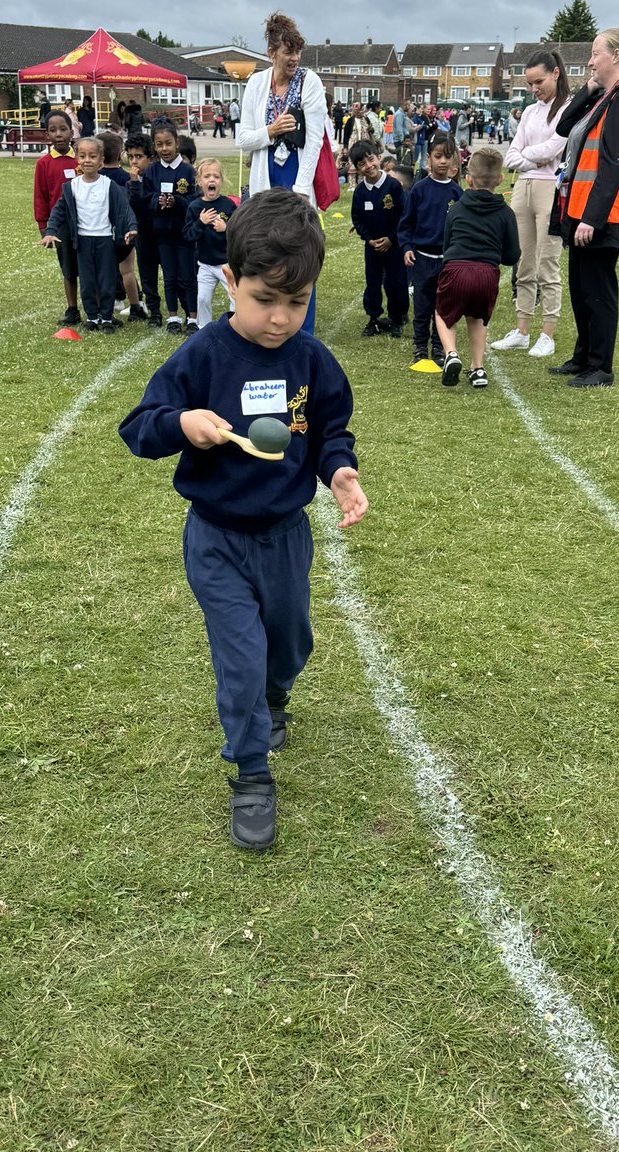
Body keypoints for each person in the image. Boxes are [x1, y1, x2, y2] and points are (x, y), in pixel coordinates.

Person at [118, 190, 367, 851]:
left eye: (298, 300)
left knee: (288, 646)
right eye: (265, 300)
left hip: (285, 539)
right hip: (216, 541)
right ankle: (252, 774)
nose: (281, 318)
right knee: (241, 656)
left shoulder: (312, 361)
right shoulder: (201, 357)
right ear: (231, 283)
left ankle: (276, 697)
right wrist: (182, 423)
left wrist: (340, 472)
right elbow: (138, 428)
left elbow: (330, 430)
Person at [549, 27, 619, 387]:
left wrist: (592, 218)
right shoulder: (605, 96)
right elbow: (563, 126)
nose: (590, 61)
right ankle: (583, 357)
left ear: (616, 56)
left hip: (605, 215)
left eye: (595, 54)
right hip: (581, 209)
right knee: (580, 287)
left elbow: (614, 163)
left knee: (598, 290)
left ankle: (601, 366)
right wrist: (588, 89)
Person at [236, 11, 327, 333]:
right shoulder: (256, 83)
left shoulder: (309, 81)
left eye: (297, 51)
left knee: (302, 252)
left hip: (296, 177)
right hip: (265, 179)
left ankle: (304, 331)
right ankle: (267, 322)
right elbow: (243, 139)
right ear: (271, 53)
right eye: (288, 52)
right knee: (267, 251)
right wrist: (271, 131)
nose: (295, 58)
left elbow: (315, 140)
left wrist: (302, 189)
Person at [492, 48, 571, 360]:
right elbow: (511, 155)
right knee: (523, 261)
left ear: (555, 73)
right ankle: (522, 330)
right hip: (523, 188)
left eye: (538, 82)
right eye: (529, 84)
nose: (534, 89)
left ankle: (547, 334)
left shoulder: (568, 108)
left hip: (550, 188)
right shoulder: (528, 112)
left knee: (547, 261)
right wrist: (532, 158)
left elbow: (556, 147)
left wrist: (529, 157)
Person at [436, 147, 520, 390]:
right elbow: (512, 255)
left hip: (457, 268)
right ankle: (478, 368)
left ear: (468, 179)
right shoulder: (506, 213)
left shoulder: (457, 209)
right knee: (478, 317)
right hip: (486, 273)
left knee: (443, 312)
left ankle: (451, 353)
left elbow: (447, 243)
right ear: (500, 179)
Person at [39, 136, 137, 333]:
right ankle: (92, 317)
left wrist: (131, 227)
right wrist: (50, 231)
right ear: (76, 158)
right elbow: (58, 211)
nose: (87, 160)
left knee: (106, 280)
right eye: (82, 155)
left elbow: (125, 209)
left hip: (105, 241)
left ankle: (107, 318)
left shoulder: (109, 185)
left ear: (101, 160)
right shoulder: (72, 186)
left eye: (93, 156)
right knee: (88, 282)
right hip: (82, 242)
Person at [398, 132, 463, 365]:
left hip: (447, 260)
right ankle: (419, 347)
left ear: (454, 160)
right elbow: (405, 223)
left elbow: (461, 229)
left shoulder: (457, 193)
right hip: (422, 259)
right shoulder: (419, 189)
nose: (443, 162)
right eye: (438, 156)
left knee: (442, 307)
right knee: (423, 307)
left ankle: (439, 347)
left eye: (447, 157)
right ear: (429, 159)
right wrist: (406, 247)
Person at [133, 120, 197, 334]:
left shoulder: (188, 171)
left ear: (177, 143)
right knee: (169, 278)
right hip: (162, 235)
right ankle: (173, 317)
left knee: (186, 278)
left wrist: (176, 202)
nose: (164, 149)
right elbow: (145, 197)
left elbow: (194, 199)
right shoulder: (151, 171)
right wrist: (158, 202)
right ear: (154, 146)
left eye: (168, 143)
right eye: (159, 144)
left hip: (184, 234)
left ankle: (192, 316)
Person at [349, 139, 408, 339]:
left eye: (371, 159)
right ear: (356, 168)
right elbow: (356, 218)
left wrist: (391, 238)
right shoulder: (360, 191)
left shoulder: (393, 186)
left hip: (394, 246)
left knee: (395, 283)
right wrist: (368, 238)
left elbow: (403, 215)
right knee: (372, 282)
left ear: (378, 157)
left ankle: (397, 318)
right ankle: (373, 318)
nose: (368, 166)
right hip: (372, 247)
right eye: (361, 164)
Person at [33, 110, 81, 326]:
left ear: (72, 132)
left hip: (87, 223)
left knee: (91, 267)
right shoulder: (44, 164)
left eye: (63, 129)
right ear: (47, 135)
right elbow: (40, 196)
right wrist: (44, 227)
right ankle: (72, 309)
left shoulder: (82, 159)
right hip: (61, 226)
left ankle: (97, 307)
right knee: (68, 268)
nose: (59, 134)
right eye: (53, 130)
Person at [184, 158, 238, 328]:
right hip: (205, 264)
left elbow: (239, 233)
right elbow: (188, 236)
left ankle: (234, 327)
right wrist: (200, 222)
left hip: (226, 264)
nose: (212, 180)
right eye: (207, 176)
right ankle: (203, 329)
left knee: (236, 297)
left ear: (221, 181)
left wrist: (226, 228)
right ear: (199, 182)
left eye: (216, 176)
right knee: (202, 298)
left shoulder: (228, 205)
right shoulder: (194, 207)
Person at [98, 131, 144, 321]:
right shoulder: (127, 177)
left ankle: (105, 307)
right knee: (127, 270)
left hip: (101, 230)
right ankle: (135, 306)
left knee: (104, 270)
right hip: (125, 230)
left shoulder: (95, 178)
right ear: (120, 154)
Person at [125, 133, 162, 326]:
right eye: (130, 157)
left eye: (138, 157)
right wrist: (134, 184)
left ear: (150, 158)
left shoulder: (155, 178)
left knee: (174, 275)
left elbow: (149, 205)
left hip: (162, 235)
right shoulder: (130, 183)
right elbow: (134, 207)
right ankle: (154, 311)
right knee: (148, 277)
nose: (134, 161)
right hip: (143, 237)